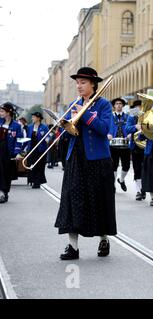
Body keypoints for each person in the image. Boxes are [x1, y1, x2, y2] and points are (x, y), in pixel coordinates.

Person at [54, 67, 116, 260]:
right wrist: (62, 127)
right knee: (72, 199)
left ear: (92, 85)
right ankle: (73, 246)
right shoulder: (74, 103)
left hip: (97, 159)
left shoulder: (103, 105)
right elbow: (70, 130)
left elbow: (104, 128)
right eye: (77, 83)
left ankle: (103, 238)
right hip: (76, 159)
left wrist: (86, 114)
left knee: (100, 199)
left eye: (83, 83)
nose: (79, 86)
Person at [0, 102, 23, 203]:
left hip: (8, 152)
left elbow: (19, 139)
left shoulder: (16, 126)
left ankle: (5, 193)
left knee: (6, 172)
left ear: (8, 112)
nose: (0, 113)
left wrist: (17, 152)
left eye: (2, 111)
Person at [108, 97, 130, 192]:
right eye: (116, 104)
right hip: (113, 145)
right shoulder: (110, 117)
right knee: (114, 165)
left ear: (123, 105)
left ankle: (121, 180)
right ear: (114, 106)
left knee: (126, 165)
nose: (118, 105)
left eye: (120, 104)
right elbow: (106, 127)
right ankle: (112, 185)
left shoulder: (127, 117)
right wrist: (108, 134)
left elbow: (131, 127)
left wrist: (130, 134)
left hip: (125, 144)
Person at [125, 100, 146, 201]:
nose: (139, 109)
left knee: (145, 169)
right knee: (137, 169)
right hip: (136, 146)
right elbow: (127, 128)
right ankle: (138, 190)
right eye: (137, 107)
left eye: (141, 107)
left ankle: (144, 188)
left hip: (147, 146)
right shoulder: (132, 114)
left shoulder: (149, 113)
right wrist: (135, 127)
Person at [26, 112, 49, 188]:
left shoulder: (44, 127)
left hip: (40, 150)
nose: (32, 118)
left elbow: (47, 136)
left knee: (39, 166)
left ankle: (37, 182)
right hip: (31, 149)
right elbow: (27, 138)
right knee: (31, 165)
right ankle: (32, 180)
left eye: (34, 117)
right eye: (32, 117)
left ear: (38, 118)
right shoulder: (29, 127)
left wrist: (47, 139)